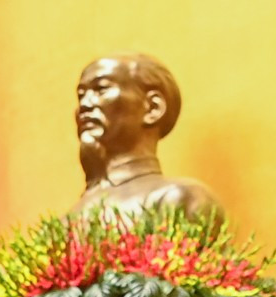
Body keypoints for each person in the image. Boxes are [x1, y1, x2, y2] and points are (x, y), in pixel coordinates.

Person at [72, 54, 221, 220]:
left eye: (101, 89)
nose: (84, 104)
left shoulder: (177, 199)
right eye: (81, 95)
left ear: (153, 108)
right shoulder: (66, 222)